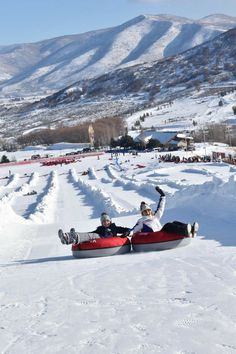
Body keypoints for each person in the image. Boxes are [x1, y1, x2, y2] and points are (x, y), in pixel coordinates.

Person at [131, 186, 199, 237]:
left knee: (175, 222)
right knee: (167, 225)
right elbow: (134, 229)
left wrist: (163, 196)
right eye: (145, 211)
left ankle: (191, 229)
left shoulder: (154, 217)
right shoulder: (141, 221)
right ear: (142, 213)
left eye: (148, 210)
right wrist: (130, 233)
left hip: (161, 233)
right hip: (155, 235)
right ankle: (185, 231)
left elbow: (160, 208)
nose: (147, 212)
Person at [58, 212, 131, 245]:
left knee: (93, 235)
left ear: (110, 221)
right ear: (101, 223)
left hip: (109, 240)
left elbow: (126, 229)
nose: (106, 222)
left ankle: (72, 237)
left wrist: (126, 232)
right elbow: (91, 233)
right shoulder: (100, 228)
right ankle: (66, 237)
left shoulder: (114, 227)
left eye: (107, 221)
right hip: (100, 238)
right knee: (90, 235)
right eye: (104, 221)